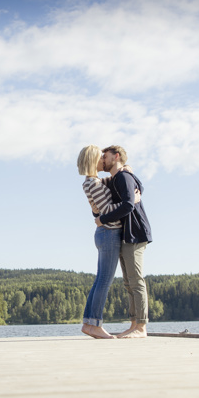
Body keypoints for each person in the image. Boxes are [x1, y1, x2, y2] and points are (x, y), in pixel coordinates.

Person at [77, 145, 138, 339]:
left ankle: (89, 324)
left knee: (100, 280)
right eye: (100, 157)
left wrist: (124, 170)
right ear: (93, 160)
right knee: (104, 281)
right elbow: (107, 210)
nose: (103, 160)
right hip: (109, 233)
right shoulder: (93, 184)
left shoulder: (92, 181)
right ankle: (94, 325)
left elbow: (107, 181)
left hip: (104, 234)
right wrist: (133, 200)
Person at [96, 145, 152, 339]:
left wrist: (103, 219)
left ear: (116, 156)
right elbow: (137, 190)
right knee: (128, 283)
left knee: (136, 281)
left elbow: (128, 203)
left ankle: (141, 328)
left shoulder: (123, 176)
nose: (102, 159)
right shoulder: (117, 177)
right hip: (126, 234)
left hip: (135, 233)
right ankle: (134, 325)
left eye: (105, 156)